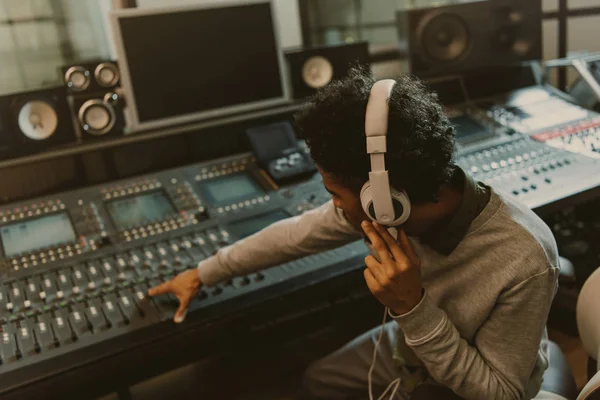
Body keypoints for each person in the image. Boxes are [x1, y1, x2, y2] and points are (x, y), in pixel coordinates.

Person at [148, 67, 560, 400]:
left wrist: (412, 307)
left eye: (333, 192)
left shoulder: (524, 257)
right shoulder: (385, 209)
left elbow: (501, 391)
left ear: (383, 195)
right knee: (317, 382)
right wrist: (205, 272)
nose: (334, 206)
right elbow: (296, 234)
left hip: (470, 382)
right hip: (411, 351)